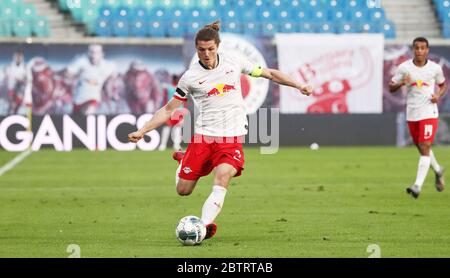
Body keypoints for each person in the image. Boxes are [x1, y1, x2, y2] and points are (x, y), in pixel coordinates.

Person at [128, 21, 313, 239]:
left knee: (223, 174)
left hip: (231, 138)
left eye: (210, 49)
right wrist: (143, 130)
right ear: (196, 49)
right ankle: (184, 161)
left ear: (218, 46)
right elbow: (169, 109)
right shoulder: (190, 77)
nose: (206, 54)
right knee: (183, 190)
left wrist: (299, 85)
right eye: (201, 50)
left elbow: (270, 74)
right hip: (203, 139)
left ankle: (204, 227)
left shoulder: (234, 62)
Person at [389, 37, 447, 198]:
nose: (419, 51)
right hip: (412, 113)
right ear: (413, 49)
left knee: (425, 144)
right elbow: (391, 86)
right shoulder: (404, 68)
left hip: (429, 112)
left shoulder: (435, 68)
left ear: (427, 50)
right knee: (422, 148)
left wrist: (438, 96)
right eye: (416, 48)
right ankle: (437, 169)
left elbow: (443, 85)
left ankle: (417, 186)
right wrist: (401, 83)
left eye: (423, 48)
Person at [67, 44, 117, 115]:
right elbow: (68, 73)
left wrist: (110, 93)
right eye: (91, 52)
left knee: (88, 112)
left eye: (96, 52)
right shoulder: (82, 62)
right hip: (78, 99)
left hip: (93, 98)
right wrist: (77, 75)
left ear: (102, 54)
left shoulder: (109, 66)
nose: (93, 55)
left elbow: (111, 79)